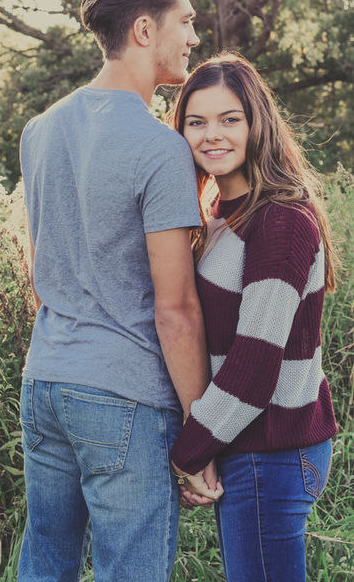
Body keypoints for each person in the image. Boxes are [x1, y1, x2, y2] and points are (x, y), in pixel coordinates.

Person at [18, 0, 223, 582]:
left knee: (45, 562)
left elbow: (40, 274)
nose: (193, 37)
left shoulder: (40, 130)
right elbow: (175, 310)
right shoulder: (160, 147)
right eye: (186, 22)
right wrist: (200, 438)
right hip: (125, 397)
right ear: (143, 29)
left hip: (44, 382)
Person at [170, 53, 338, 581]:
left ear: (256, 123)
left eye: (229, 119)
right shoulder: (220, 215)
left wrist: (188, 453)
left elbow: (254, 367)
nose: (212, 135)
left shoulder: (279, 221)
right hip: (246, 444)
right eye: (196, 122)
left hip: (274, 451)